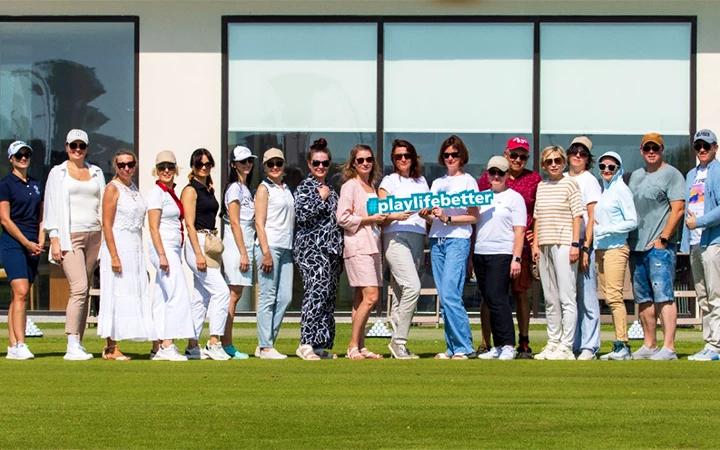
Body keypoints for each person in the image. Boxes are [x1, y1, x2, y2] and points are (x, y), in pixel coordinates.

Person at [44, 129, 106, 361]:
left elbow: (103, 202)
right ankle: (71, 342)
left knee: (86, 288)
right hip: (71, 236)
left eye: (81, 146)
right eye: (73, 146)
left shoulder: (96, 172)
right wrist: (54, 238)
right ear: (67, 147)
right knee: (78, 287)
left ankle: (78, 341)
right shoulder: (57, 173)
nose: (77, 150)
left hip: (95, 235)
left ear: (87, 148)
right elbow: (50, 205)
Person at [477, 136, 541, 358]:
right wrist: (442, 216)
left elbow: (536, 215)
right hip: (486, 248)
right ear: (506, 154)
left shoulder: (534, 179)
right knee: (491, 297)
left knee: (518, 294)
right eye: (514, 154)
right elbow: (471, 215)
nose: (518, 159)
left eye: (523, 156)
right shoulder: (485, 184)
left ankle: (518, 342)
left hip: (517, 247)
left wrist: (536, 238)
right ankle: (488, 343)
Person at [418, 135, 479, 360]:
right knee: (444, 296)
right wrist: (426, 216)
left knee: (452, 294)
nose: (450, 158)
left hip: (457, 239)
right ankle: (452, 347)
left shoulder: (468, 181)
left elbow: (473, 216)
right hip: (437, 240)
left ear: (462, 156)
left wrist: (448, 219)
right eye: (447, 155)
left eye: (454, 154)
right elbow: (431, 217)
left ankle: (465, 346)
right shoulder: (437, 183)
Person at [628, 133, 685, 360]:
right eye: (647, 148)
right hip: (637, 246)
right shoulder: (636, 176)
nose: (651, 151)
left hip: (659, 246)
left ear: (662, 150)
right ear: (641, 150)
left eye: (656, 148)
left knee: (664, 296)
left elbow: (678, 208)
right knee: (643, 299)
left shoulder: (672, 174)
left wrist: (663, 238)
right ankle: (649, 344)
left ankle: (669, 347)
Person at [97, 150, 154, 360]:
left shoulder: (134, 189)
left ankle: (114, 345)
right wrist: (114, 255)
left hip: (135, 247)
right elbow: (107, 224)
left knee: (130, 293)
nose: (126, 168)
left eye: (130, 164)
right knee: (116, 293)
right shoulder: (112, 189)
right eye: (121, 165)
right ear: (116, 167)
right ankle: (111, 347)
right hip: (118, 246)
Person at [378, 139, 429, 359]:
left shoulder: (421, 181)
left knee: (402, 293)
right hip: (395, 237)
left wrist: (427, 214)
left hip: (418, 237)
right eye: (398, 156)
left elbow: (427, 212)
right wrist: (395, 215)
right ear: (393, 159)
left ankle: (396, 344)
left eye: (406, 156)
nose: (403, 160)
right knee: (413, 287)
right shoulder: (388, 182)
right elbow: (381, 215)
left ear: (413, 157)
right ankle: (399, 341)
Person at [294, 138, 343, 360]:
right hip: (311, 249)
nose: (321, 167)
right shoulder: (305, 188)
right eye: (316, 163)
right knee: (316, 292)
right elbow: (302, 215)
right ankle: (305, 342)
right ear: (309, 163)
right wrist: (319, 198)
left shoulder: (332, 190)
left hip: (332, 250)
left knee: (328, 295)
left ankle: (319, 343)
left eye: (324, 163)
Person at [532, 145, 583, 361]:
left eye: (557, 161)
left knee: (566, 296)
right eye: (549, 161)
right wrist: (535, 244)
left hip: (564, 244)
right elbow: (537, 217)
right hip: (544, 243)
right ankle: (553, 342)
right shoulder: (542, 186)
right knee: (550, 297)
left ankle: (567, 346)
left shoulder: (570, 184)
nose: (554, 164)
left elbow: (577, 216)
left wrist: (574, 244)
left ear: (563, 162)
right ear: (544, 165)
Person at [337, 144, 387, 360]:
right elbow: (343, 218)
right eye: (360, 160)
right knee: (371, 296)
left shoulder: (371, 187)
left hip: (373, 245)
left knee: (360, 298)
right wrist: (369, 219)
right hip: (358, 246)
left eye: (368, 159)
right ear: (353, 164)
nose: (365, 163)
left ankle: (360, 345)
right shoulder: (350, 186)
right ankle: (352, 345)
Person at [474, 156, 526, 361]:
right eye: (492, 172)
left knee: (498, 298)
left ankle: (508, 345)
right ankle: (497, 345)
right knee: (489, 299)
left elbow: (519, 231)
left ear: (506, 176)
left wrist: (517, 258)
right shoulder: (480, 197)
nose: (496, 176)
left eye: (500, 173)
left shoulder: (514, 198)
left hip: (502, 254)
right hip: (481, 253)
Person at [181, 148, 231, 361]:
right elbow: (190, 225)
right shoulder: (190, 190)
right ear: (193, 166)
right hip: (198, 243)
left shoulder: (208, 189)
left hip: (210, 241)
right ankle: (214, 341)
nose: (204, 167)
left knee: (201, 297)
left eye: (207, 164)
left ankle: (192, 345)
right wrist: (198, 254)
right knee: (222, 292)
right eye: (199, 164)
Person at [147, 151, 195, 361]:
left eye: (170, 167)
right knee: (178, 293)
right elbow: (153, 227)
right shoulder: (157, 193)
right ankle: (169, 343)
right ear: (156, 171)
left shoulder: (170, 193)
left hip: (171, 248)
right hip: (163, 248)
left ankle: (157, 346)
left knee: (162, 297)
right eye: (162, 167)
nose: (166, 171)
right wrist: (162, 255)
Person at [0, 141, 44, 360]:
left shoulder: (36, 184)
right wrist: (26, 243)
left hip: (33, 245)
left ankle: (11, 346)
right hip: (13, 244)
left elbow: (42, 216)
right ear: (11, 159)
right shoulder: (5, 184)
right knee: (22, 293)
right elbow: (5, 219)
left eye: (26, 154)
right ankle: (20, 343)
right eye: (19, 155)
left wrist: (40, 240)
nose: (23, 158)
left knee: (18, 296)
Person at [594, 151, 637, 360]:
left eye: (611, 167)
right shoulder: (605, 191)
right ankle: (618, 344)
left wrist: (607, 230)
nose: (606, 171)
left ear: (618, 168)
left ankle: (623, 344)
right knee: (608, 298)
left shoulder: (621, 190)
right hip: (601, 250)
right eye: (603, 166)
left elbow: (632, 221)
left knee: (614, 297)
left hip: (616, 249)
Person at [682, 129, 720, 361]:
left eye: (707, 146)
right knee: (703, 297)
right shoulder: (690, 175)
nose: (702, 150)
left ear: (715, 147)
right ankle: (709, 344)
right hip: (695, 244)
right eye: (699, 146)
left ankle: (716, 345)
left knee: (716, 296)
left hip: (713, 242)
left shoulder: (718, 171)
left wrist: (699, 222)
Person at [254, 148, 295, 359]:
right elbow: (259, 224)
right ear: (265, 167)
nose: (275, 167)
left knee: (286, 297)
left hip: (287, 248)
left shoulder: (286, 188)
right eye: (271, 164)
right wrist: (266, 252)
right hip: (269, 247)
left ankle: (265, 342)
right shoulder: (263, 189)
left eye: (279, 163)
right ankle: (266, 346)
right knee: (267, 297)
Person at [564, 137, 602, 360]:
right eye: (574, 151)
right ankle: (572, 343)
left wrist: (586, 248)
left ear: (588, 159)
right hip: (563, 245)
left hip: (582, 244)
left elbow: (592, 216)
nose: (578, 155)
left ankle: (590, 345)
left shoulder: (590, 181)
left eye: (583, 153)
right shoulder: (562, 178)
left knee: (587, 297)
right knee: (569, 298)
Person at [220, 146, 256, 360]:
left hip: (244, 245)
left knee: (235, 294)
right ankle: (225, 343)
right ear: (234, 164)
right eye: (242, 161)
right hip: (236, 247)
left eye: (249, 161)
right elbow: (234, 222)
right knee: (232, 295)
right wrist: (243, 253)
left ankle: (224, 342)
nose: (247, 165)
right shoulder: (234, 188)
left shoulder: (244, 188)